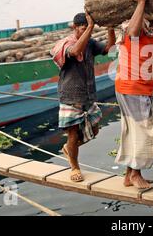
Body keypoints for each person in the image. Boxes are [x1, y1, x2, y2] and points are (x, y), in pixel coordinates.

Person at [114, 0, 153, 189]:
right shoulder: (129, 24)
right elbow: (133, 33)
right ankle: (136, 173)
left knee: (134, 130)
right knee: (145, 131)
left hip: (140, 88)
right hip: (131, 86)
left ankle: (129, 175)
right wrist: (141, 2)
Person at [51, 12, 116, 182]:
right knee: (73, 135)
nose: (85, 31)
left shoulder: (91, 43)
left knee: (94, 130)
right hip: (70, 95)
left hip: (88, 94)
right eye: (82, 28)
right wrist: (91, 27)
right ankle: (74, 167)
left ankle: (69, 149)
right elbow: (75, 51)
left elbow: (109, 48)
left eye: (86, 28)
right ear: (75, 27)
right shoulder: (66, 44)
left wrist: (110, 29)